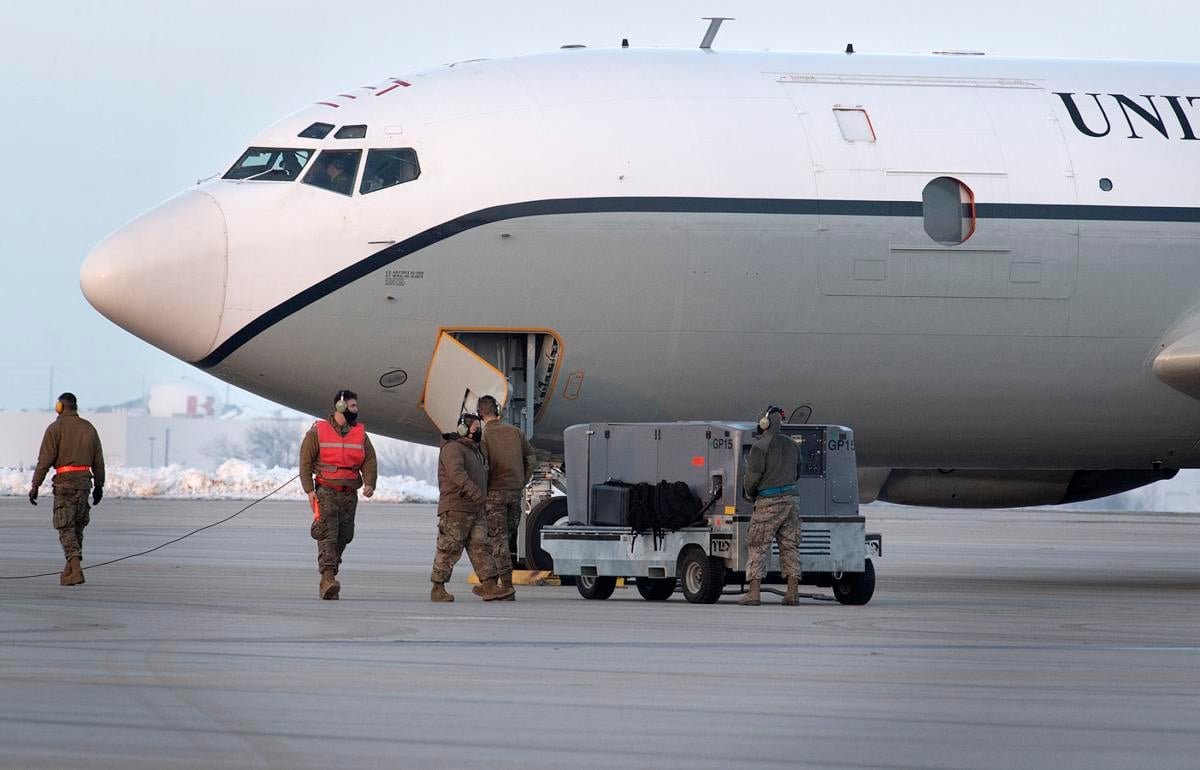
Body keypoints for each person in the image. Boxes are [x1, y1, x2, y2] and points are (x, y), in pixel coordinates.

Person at [299, 389, 377, 600]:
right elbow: (305, 461)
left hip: (349, 493)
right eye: (353, 406)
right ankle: (327, 578)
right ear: (340, 407)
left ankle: (330, 575)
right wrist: (309, 491)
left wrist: (370, 483)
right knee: (328, 534)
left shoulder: (360, 433)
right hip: (326, 490)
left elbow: (369, 459)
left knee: (344, 535)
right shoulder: (318, 431)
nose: (356, 410)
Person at [430, 412, 514, 602]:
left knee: (481, 546)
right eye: (475, 429)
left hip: (475, 509)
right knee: (449, 548)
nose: (478, 432)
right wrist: (474, 492)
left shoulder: (475, 451)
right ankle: (438, 587)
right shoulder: (453, 449)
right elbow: (456, 474)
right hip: (456, 508)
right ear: (463, 429)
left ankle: (489, 585)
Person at [29, 393, 105, 586]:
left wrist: (35, 485)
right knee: (77, 527)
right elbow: (99, 462)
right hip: (84, 483)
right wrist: (99, 486)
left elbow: (44, 460)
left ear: (60, 407)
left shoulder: (55, 429)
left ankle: (76, 569)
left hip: (65, 482)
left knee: (65, 527)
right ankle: (69, 571)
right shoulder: (89, 428)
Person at [740, 406, 802, 606]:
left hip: (768, 501)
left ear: (764, 424)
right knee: (790, 545)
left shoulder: (760, 447)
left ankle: (754, 593)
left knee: (758, 544)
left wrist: (749, 493)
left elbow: (752, 478)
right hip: (791, 501)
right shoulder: (793, 445)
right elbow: (798, 473)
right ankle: (792, 592)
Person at [477, 394, 537, 600]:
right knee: (507, 536)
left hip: (495, 494)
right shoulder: (516, 432)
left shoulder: (484, 437)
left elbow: (483, 467)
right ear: (497, 411)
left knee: (497, 540)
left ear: (480, 413)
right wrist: (522, 481)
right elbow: (531, 459)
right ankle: (495, 583)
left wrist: (482, 490)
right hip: (515, 493)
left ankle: (506, 586)